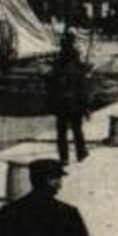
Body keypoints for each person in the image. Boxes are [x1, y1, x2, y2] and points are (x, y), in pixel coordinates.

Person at [46, 33, 93, 164]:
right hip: (75, 103)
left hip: (61, 103)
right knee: (77, 129)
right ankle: (81, 153)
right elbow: (83, 89)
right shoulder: (77, 65)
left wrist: (51, 104)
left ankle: (64, 157)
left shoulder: (57, 64)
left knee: (61, 132)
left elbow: (50, 86)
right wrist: (87, 107)